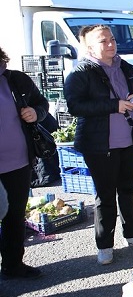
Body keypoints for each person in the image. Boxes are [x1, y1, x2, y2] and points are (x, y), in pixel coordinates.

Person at [64, 25, 133, 265]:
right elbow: (75, 106)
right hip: (99, 144)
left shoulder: (125, 66)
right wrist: (114, 105)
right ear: (90, 47)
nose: (111, 44)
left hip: (130, 140)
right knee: (105, 195)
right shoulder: (81, 72)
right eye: (103, 41)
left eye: (112, 39)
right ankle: (104, 244)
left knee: (127, 188)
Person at [0, 46, 46, 279]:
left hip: (18, 162)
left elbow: (42, 104)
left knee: (15, 215)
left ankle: (12, 264)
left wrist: (35, 113)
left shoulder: (16, 80)